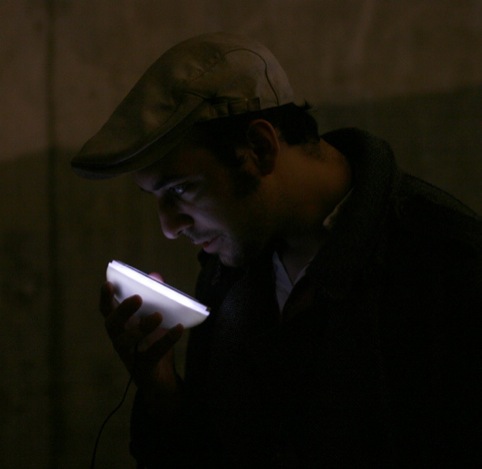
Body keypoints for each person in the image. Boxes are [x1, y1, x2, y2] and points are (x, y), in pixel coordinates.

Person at [72, 32, 482, 468]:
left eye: (182, 189)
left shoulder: (445, 263)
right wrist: (163, 392)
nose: (169, 227)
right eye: (155, 197)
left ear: (260, 148)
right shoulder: (230, 268)